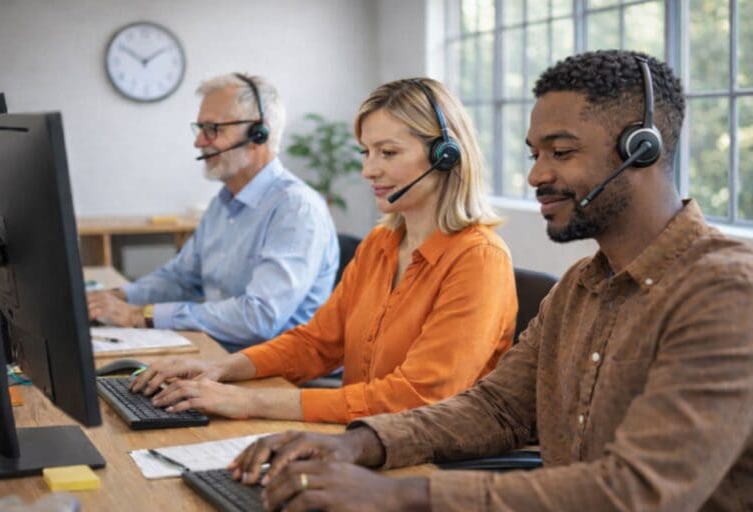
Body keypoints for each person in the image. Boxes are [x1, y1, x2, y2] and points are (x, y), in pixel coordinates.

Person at [230, 51, 753, 511]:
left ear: (643, 151)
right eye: (535, 154)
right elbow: (496, 407)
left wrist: (399, 496)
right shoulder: (580, 286)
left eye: (562, 152)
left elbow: (638, 492)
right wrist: (356, 444)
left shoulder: (723, 293)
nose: (535, 176)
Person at [130, 78, 518, 424]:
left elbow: (415, 398)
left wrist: (250, 401)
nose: (369, 170)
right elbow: (315, 343)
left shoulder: (478, 259)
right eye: (366, 152)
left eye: (388, 153)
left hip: (424, 462)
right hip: (358, 439)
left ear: (445, 155)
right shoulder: (381, 245)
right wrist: (217, 368)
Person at [87, 73, 339, 351]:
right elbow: (181, 278)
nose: (199, 142)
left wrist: (140, 315)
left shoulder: (296, 209)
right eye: (200, 129)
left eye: (213, 129)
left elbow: (258, 317)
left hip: (276, 375)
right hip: (223, 352)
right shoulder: (223, 202)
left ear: (258, 134)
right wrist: (120, 296)